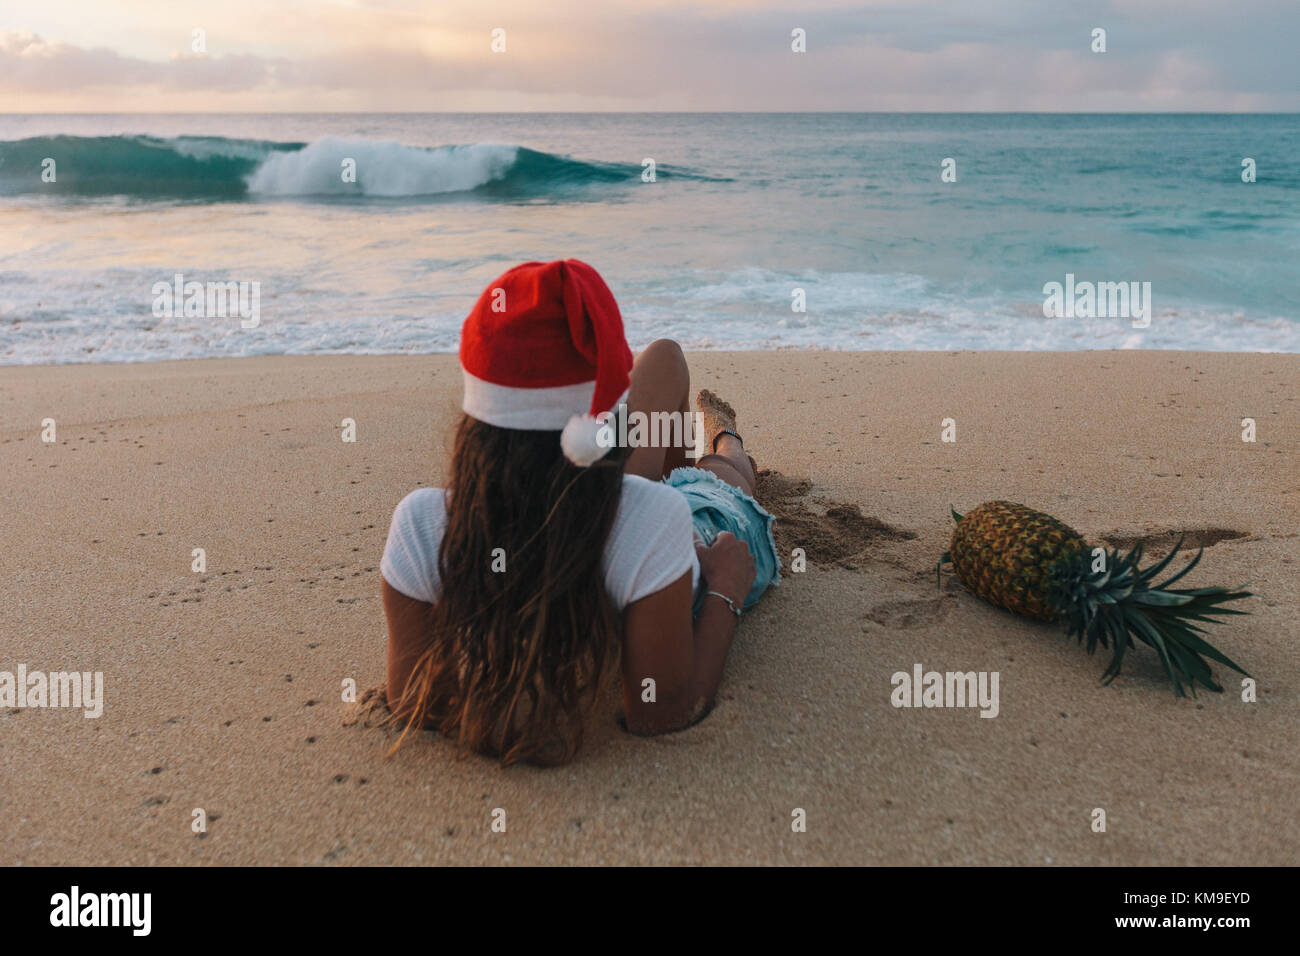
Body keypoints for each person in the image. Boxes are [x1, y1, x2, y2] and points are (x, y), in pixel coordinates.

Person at [380, 259, 779, 765]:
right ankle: (726, 437)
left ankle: (693, 456)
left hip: (614, 512)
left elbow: (415, 698)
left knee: (664, 357)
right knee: (722, 478)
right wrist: (724, 586)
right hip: (660, 538)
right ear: (607, 420)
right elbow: (660, 712)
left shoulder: (420, 523)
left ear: (475, 421)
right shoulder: (653, 521)